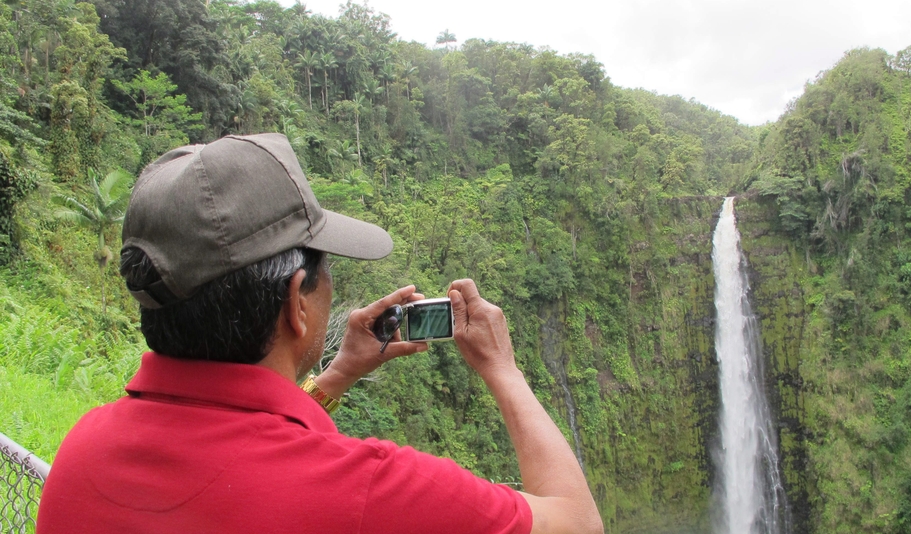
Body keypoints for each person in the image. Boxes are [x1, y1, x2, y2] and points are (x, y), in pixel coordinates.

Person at [36, 134, 603, 534]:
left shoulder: (84, 451)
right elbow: (577, 524)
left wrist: (339, 373)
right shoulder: (373, 490)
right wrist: (502, 368)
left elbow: (242, 453)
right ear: (295, 300)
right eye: (326, 270)